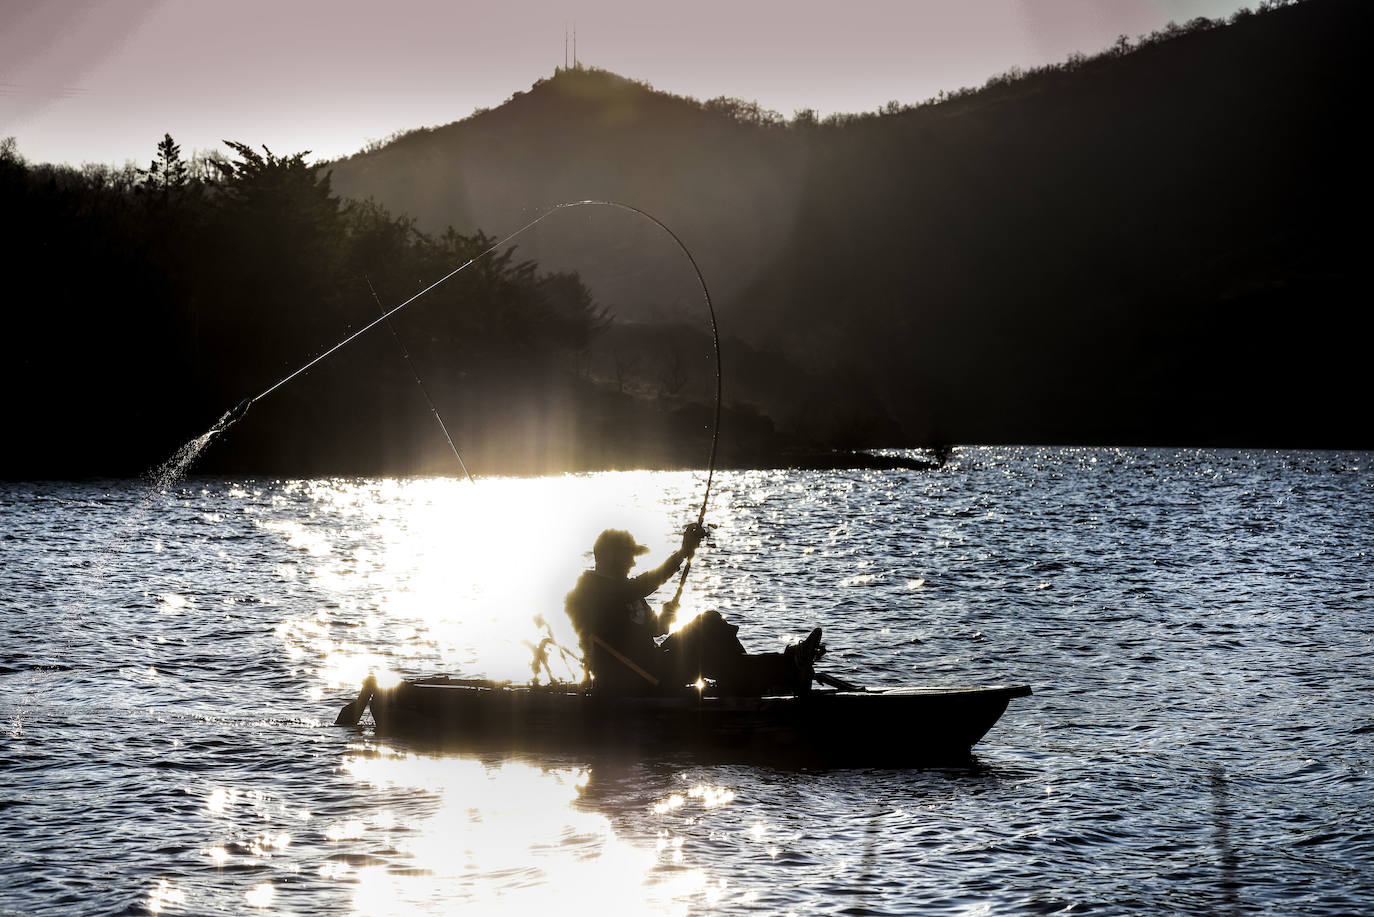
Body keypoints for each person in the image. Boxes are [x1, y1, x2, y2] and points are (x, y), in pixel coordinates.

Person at [564, 524, 824, 695]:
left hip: (654, 665)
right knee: (706, 650)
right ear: (610, 557)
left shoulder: (623, 589)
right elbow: (643, 586)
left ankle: (773, 671)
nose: (633, 561)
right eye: (627, 556)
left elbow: (656, 629)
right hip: (637, 679)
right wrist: (682, 553)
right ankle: (783, 669)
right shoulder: (591, 590)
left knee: (709, 622)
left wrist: (666, 616)